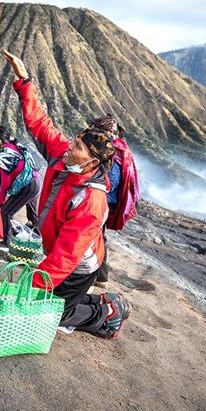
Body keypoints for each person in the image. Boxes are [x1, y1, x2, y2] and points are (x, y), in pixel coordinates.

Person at [3, 51, 131, 339]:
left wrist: (28, 285)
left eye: (78, 148)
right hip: (61, 258)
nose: (70, 148)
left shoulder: (91, 202)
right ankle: (101, 301)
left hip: (79, 266)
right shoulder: (62, 156)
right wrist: (25, 81)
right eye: (74, 141)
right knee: (50, 301)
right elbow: (40, 122)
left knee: (53, 314)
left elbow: (65, 258)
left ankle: (107, 314)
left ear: (93, 162)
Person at [87, 114, 138, 288]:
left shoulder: (115, 151)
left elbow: (113, 179)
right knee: (98, 236)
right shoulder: (119, 149)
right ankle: (101, 276)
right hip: (107, 198)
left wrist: (95, 185)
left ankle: (97, 276)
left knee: (93, 235)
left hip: (105, 199)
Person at [0, 125, 40, 247]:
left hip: (28, 186)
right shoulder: (10, 147)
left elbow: (5, 182)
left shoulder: (4, 156)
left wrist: (1, 199)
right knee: (32, 214)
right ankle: (37, 240)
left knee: (6, 212)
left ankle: (6, 243)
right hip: (35, 181)